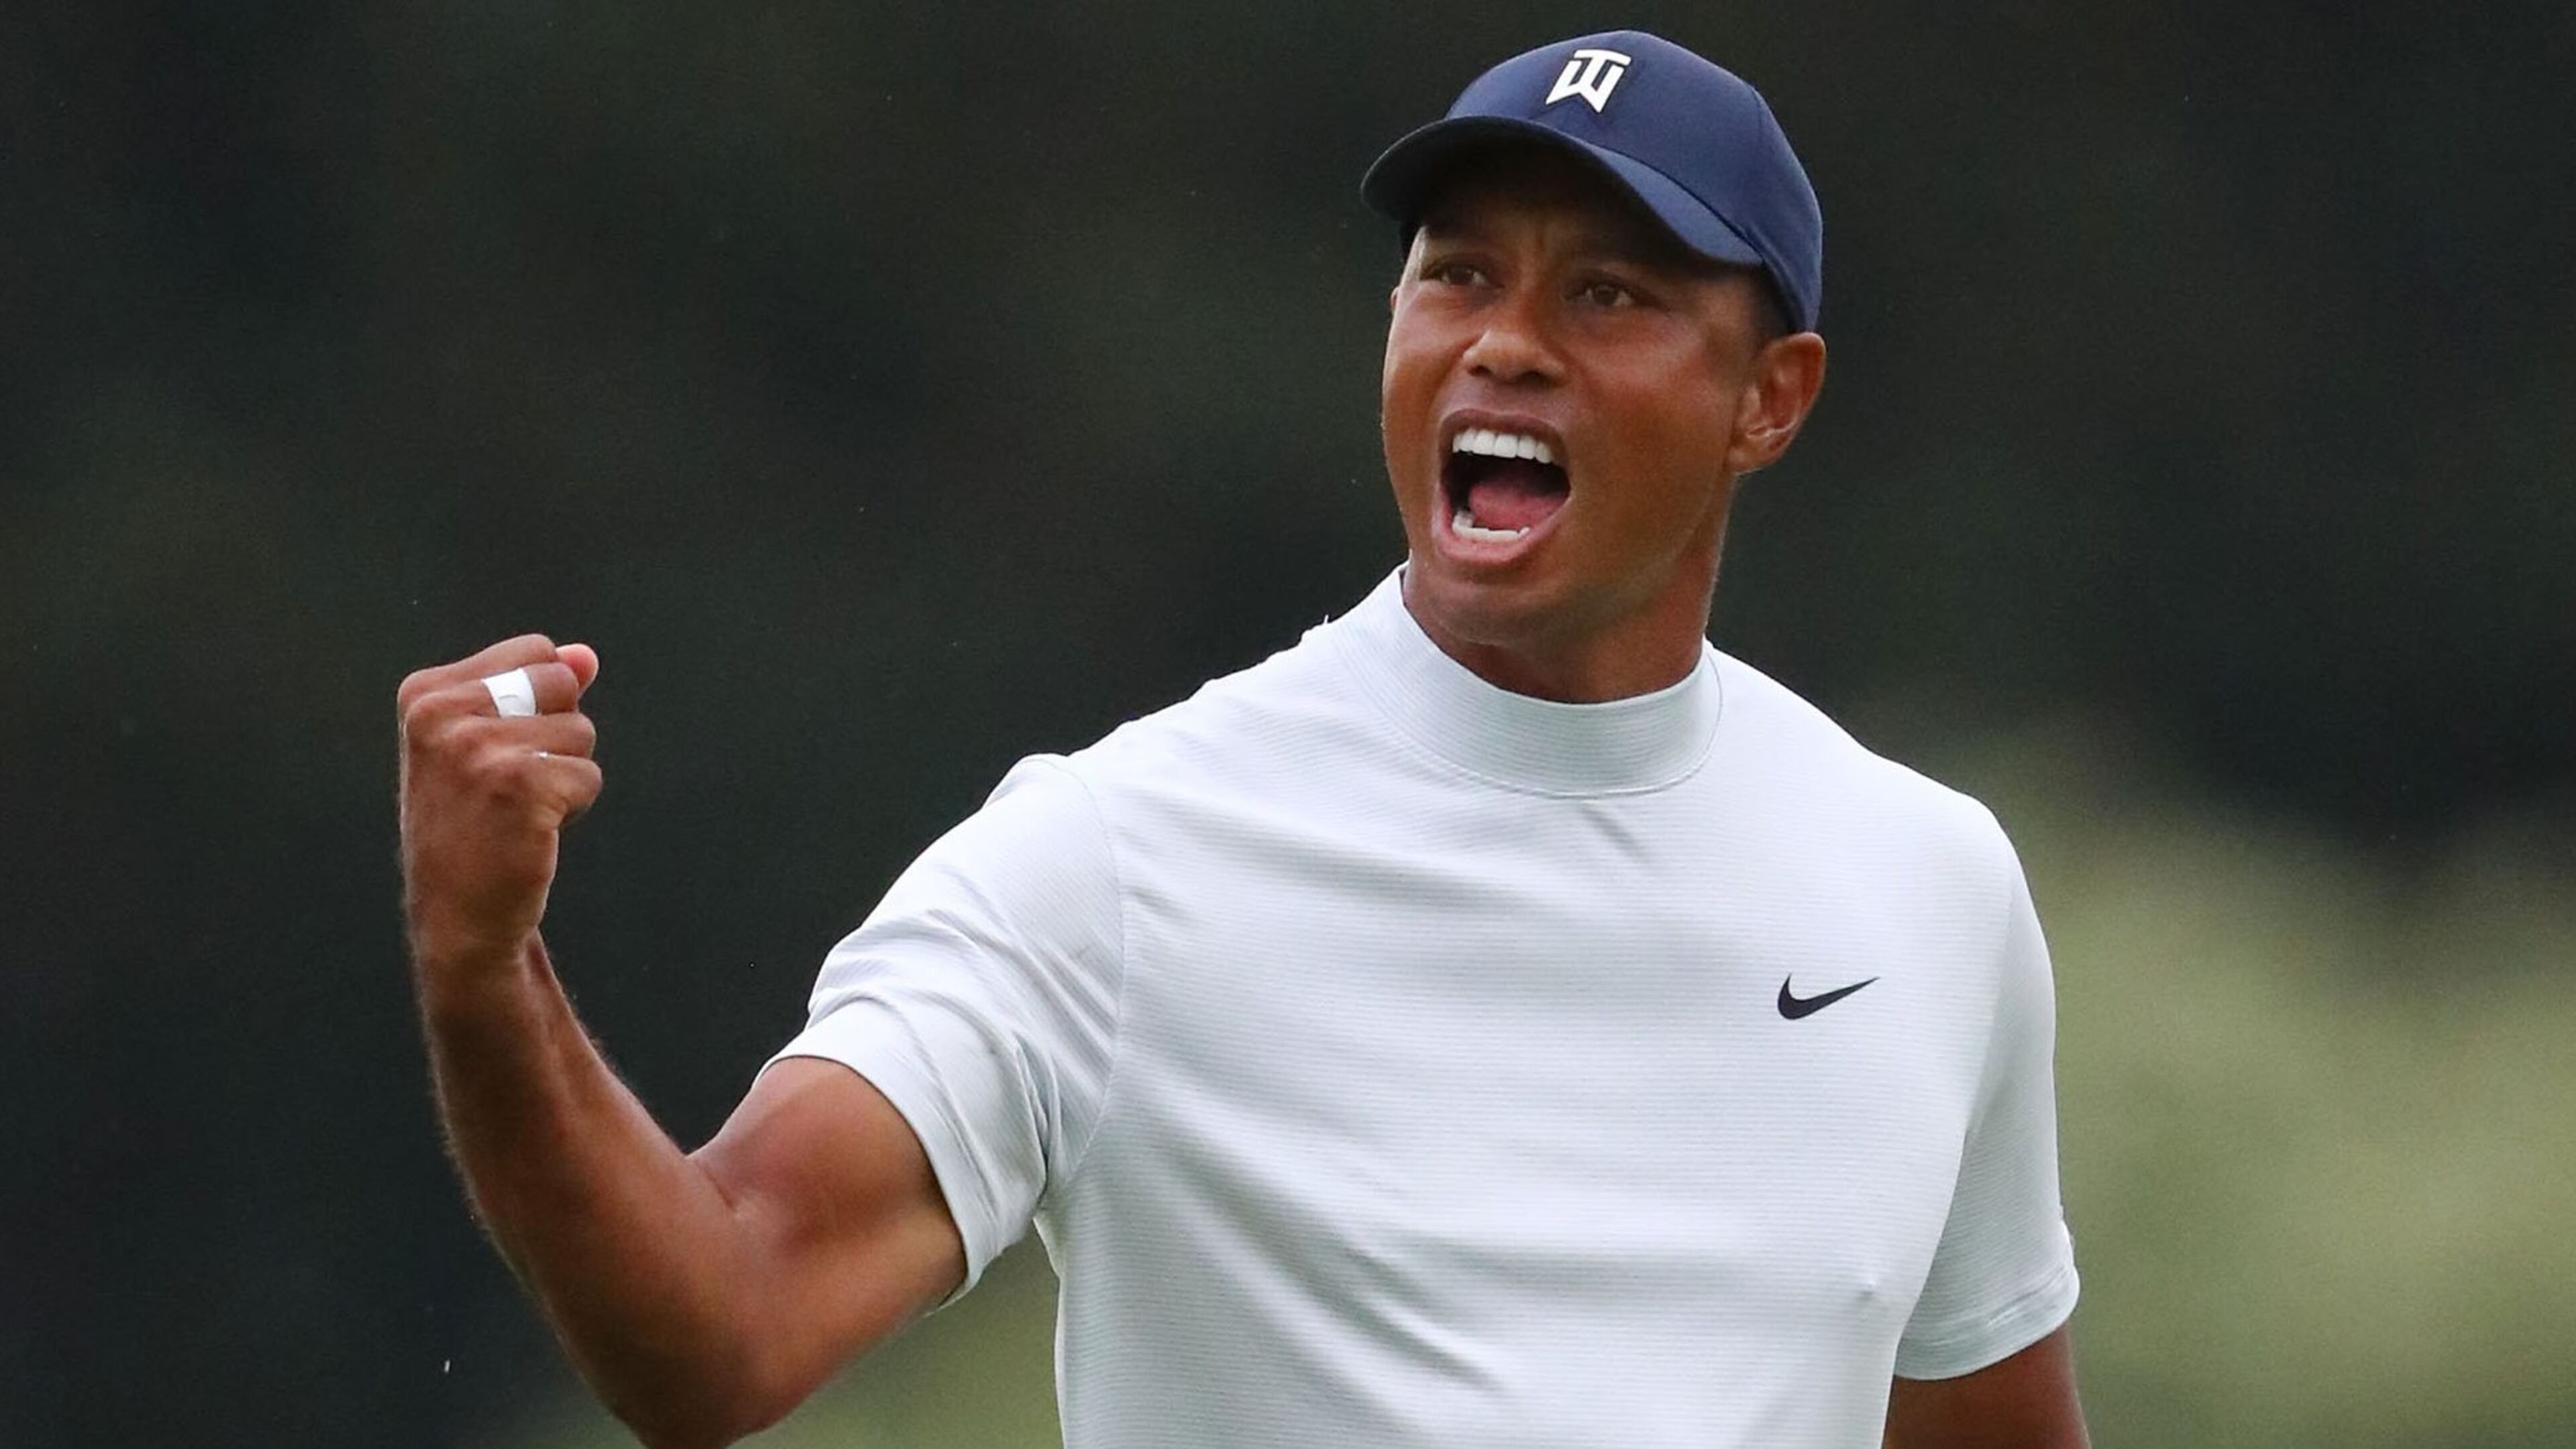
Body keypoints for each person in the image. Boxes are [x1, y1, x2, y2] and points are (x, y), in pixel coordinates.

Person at [396, 30, 2087, 1449]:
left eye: (1611, 295)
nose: (1506, 341)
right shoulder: (1118, 859)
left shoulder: (1928, 889)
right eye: (1459, 274)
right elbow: (718, 1322)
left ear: (1769, 400)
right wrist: (489, 980)